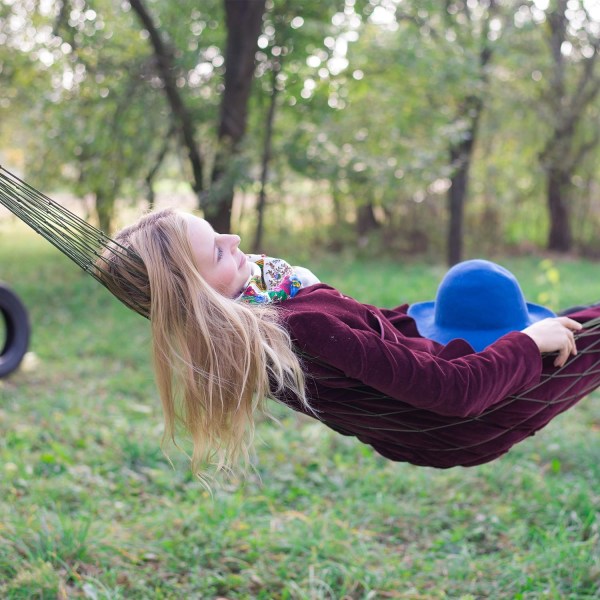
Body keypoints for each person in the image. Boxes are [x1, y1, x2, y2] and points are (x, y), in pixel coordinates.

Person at [97, 208, 600, 475]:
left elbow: (371, 336)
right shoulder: (298, 326)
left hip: (434, 416)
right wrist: (527, 343)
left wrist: (414, 323)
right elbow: (455, 392)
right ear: (200, 293)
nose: (233, 240)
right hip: (477, 413)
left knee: (583, 321)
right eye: (217, 251)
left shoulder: (252, 331)